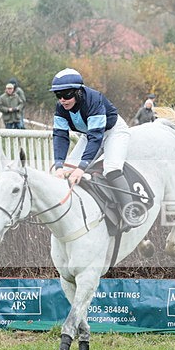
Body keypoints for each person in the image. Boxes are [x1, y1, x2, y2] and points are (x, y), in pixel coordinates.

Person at [50, 68, 140, 229]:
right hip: (89, 134)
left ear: (78, 91)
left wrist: (82, 168)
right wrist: (58, 165)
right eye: (58, 95)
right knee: (68, 168)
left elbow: (97, 137)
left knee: (111, 169)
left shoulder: (93, 99)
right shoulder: (60, 108)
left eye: (67, 95)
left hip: (113, 132)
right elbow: (60, 136)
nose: (63, 100)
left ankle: (130, 212)